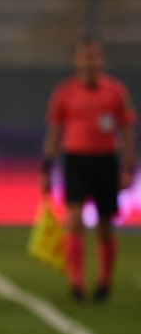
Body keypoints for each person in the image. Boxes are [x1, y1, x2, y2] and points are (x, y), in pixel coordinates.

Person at [41, 37, 137, 302]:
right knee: (74, 219)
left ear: (102, 60)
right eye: (85, 56)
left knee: (106, 223)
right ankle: (77, 283)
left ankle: (105, 282)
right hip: (76, 161)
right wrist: (46, 166)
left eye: (94, 56)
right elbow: (55, 131)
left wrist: (129, 166)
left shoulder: (115, 91)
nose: (90, 61)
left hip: (106, 160)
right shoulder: (65, 92)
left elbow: (127, 130)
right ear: (76, 60)